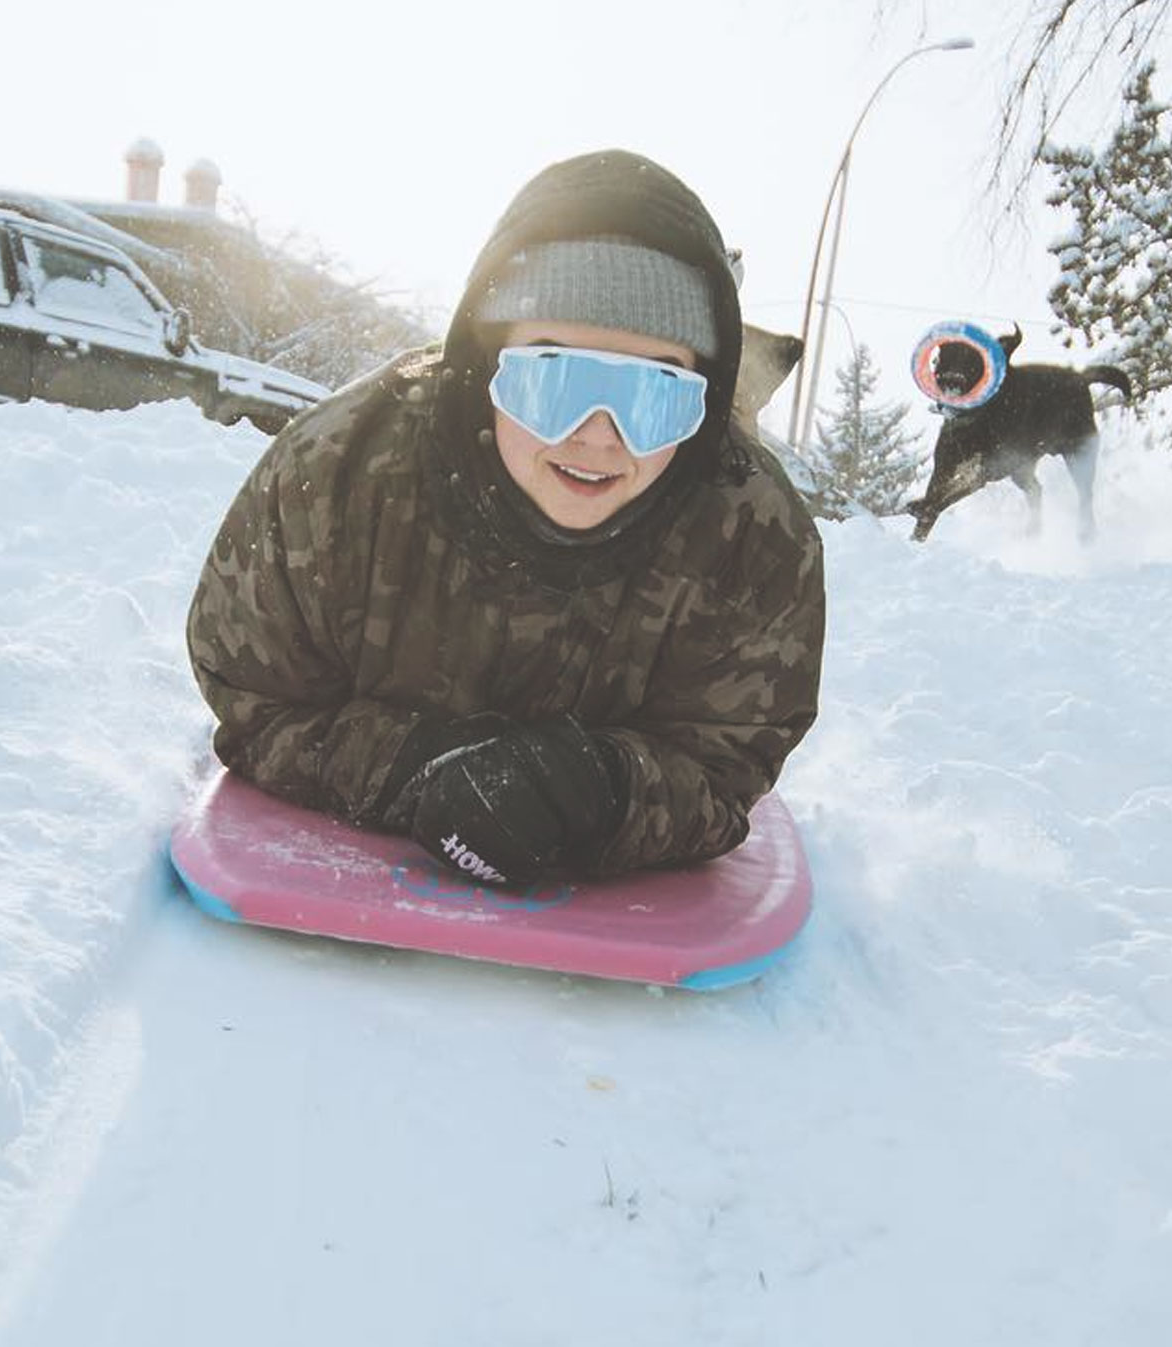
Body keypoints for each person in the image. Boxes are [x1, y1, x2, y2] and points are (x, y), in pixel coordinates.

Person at [187, 149, 826, 888]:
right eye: (554, 378)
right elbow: (257, 695)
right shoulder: (335, 479)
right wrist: (417, 767)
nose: (597, 435)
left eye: (654, 396)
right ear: (485, 361)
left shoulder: (751, 545)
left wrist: (604, 792)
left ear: (707, 403)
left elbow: (723, 760)